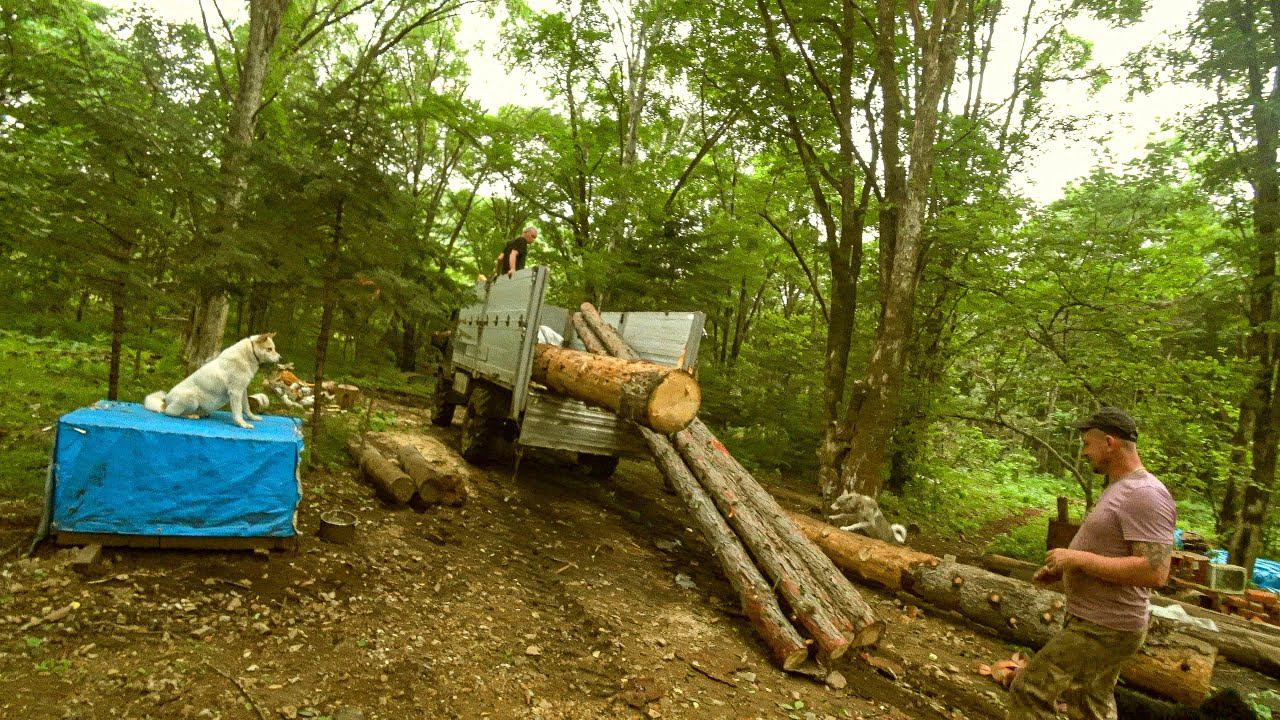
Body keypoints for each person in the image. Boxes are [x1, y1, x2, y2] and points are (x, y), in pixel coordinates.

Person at [1007, 406, 1176, 720]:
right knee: (1090, 702)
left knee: (1030, 689)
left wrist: (1077, 557)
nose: (1084, 452)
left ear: (1110, 443)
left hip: (1106, 627)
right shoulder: (1121, 487)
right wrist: (1067, 569)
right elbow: (1114, 553)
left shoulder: (1145, 494)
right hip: (1099, 621)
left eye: (1087, 444)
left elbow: (1154, 571)